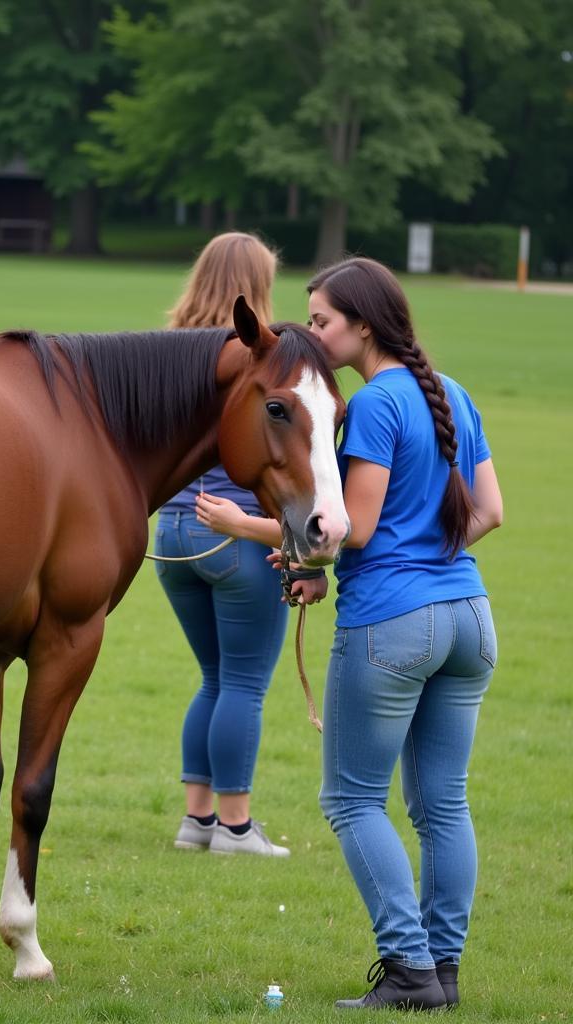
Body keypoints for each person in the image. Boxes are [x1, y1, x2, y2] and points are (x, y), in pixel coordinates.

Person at [194, 257, 503, 1011]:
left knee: (352, 800)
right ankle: (443, 971)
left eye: (324, 319)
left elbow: (348, 529)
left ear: (364, 325)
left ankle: (407, 967)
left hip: (392, 628)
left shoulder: (370, 406)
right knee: (442, 805)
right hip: (470, 617)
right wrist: (413, 564)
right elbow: (489, 512)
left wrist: (246, 524)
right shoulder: (452, 395)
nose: (313, 330)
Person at [156, 232, 290, 859]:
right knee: (243, 683)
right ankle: (236, 829)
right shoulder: (260, 357)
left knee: (212, 677)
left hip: (173, 533)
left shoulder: (170, 350)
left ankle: (196, 821)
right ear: (257, 286)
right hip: (235, 536)